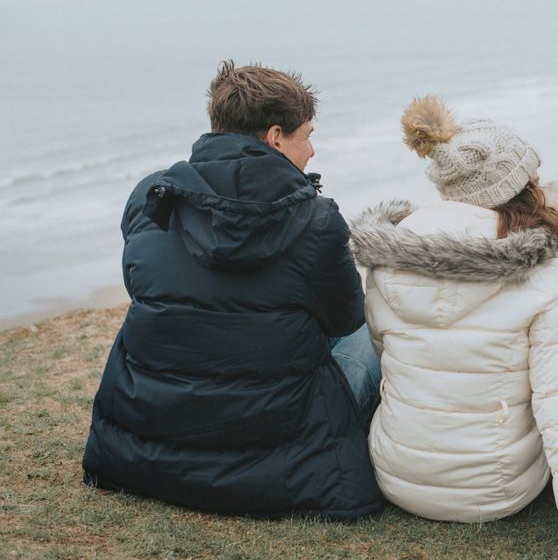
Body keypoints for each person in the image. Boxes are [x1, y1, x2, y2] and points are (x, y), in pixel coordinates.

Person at [349, 97, 558, 560]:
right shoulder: (545, 268)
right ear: (517, 183)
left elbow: (387, 359)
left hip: (399, 478)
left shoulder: (386, 253)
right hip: (496, 491)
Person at [82, 61, 383, 520]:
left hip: (146, 444)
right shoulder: (317, 221)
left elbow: (143, 282)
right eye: (307, 134)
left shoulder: (155, 195)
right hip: (278, 454)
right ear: (275, 137)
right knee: (371, 335)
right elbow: (345, 319)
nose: (313, 149)